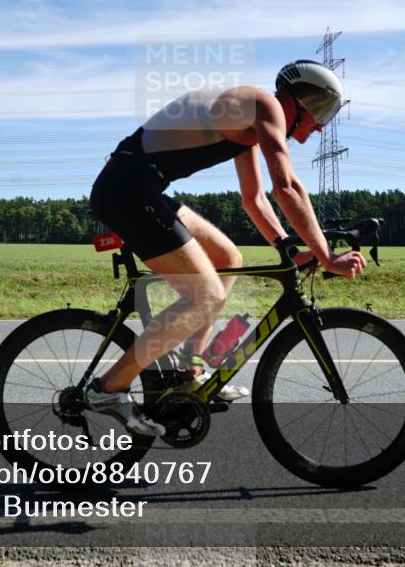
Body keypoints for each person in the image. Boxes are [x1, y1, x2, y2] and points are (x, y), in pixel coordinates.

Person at [86, 60, 368, 436]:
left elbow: (255, 199)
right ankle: (109, 387)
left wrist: (287, 247)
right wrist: (327, 257)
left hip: (139, 188)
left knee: (228, 258)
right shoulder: (262, 105)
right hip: (126, 191)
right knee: (204, 295)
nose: (320, 125)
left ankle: (190, 371)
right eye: (321, 111)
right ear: (300, 100)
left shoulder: (247, 124)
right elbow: (286, 187)